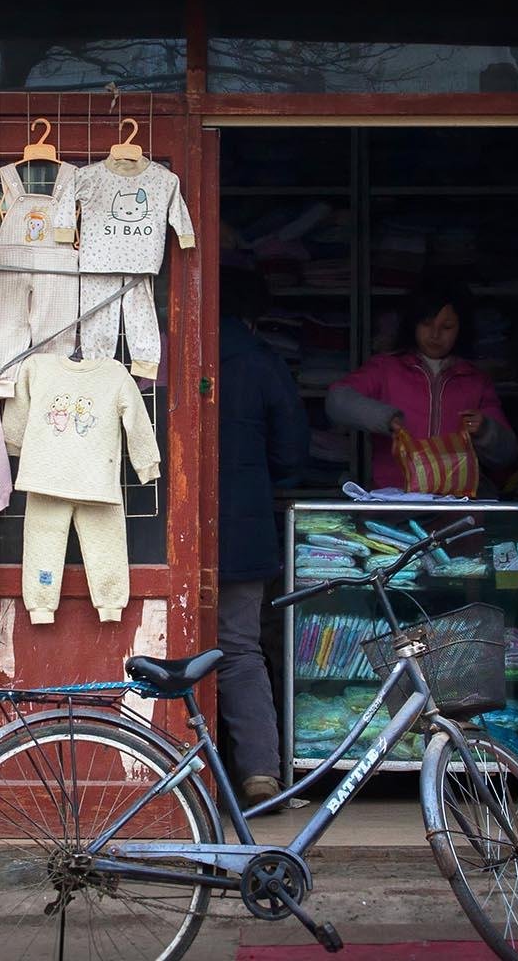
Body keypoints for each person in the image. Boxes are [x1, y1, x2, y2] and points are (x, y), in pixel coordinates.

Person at [217, 266, 309, 807]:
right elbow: (291, 454)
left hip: (160, 532)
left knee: (173, 650)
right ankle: (258, 773)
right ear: (253, 316)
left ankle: (177, 775)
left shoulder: (166, 352)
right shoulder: (262, 361)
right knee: (238, 648)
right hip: (243, 527)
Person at [325, 285, 518, 489]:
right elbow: (337, 399)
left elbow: (508, 455)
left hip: (455, 501)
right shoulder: (385, 368)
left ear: (461, 328)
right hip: (394, 499)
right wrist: (385, 418)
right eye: (426, 324)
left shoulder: (476, 381)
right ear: (413, 324)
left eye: (447, 327)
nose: (435, 334)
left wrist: (485, 430)